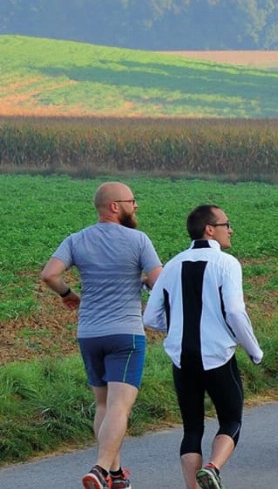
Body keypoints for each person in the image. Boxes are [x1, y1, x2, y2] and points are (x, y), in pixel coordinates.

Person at [41, 182, 162, 489]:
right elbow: (160, 282)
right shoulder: (138, 240)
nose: (135, 206)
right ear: (113, 206)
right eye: (131, 201)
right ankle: (99, 469)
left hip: (90, 333)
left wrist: (68, 294)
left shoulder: (77, 239)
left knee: (104, 407)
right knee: (120, 407)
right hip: (126, 334)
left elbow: (49, 274)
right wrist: (146, 282)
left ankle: (117, 474)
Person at [144, 205, 263, 489]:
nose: (230, 230)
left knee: (192, 428)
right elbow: (235, 312)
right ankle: (213, 467)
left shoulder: (172, 265)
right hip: (218, 356)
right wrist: (254, 350)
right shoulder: (227, 263)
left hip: (181, 358)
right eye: (226, 224)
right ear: (209, 229)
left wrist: (177, 328)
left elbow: (150, 317)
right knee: (231, 419)